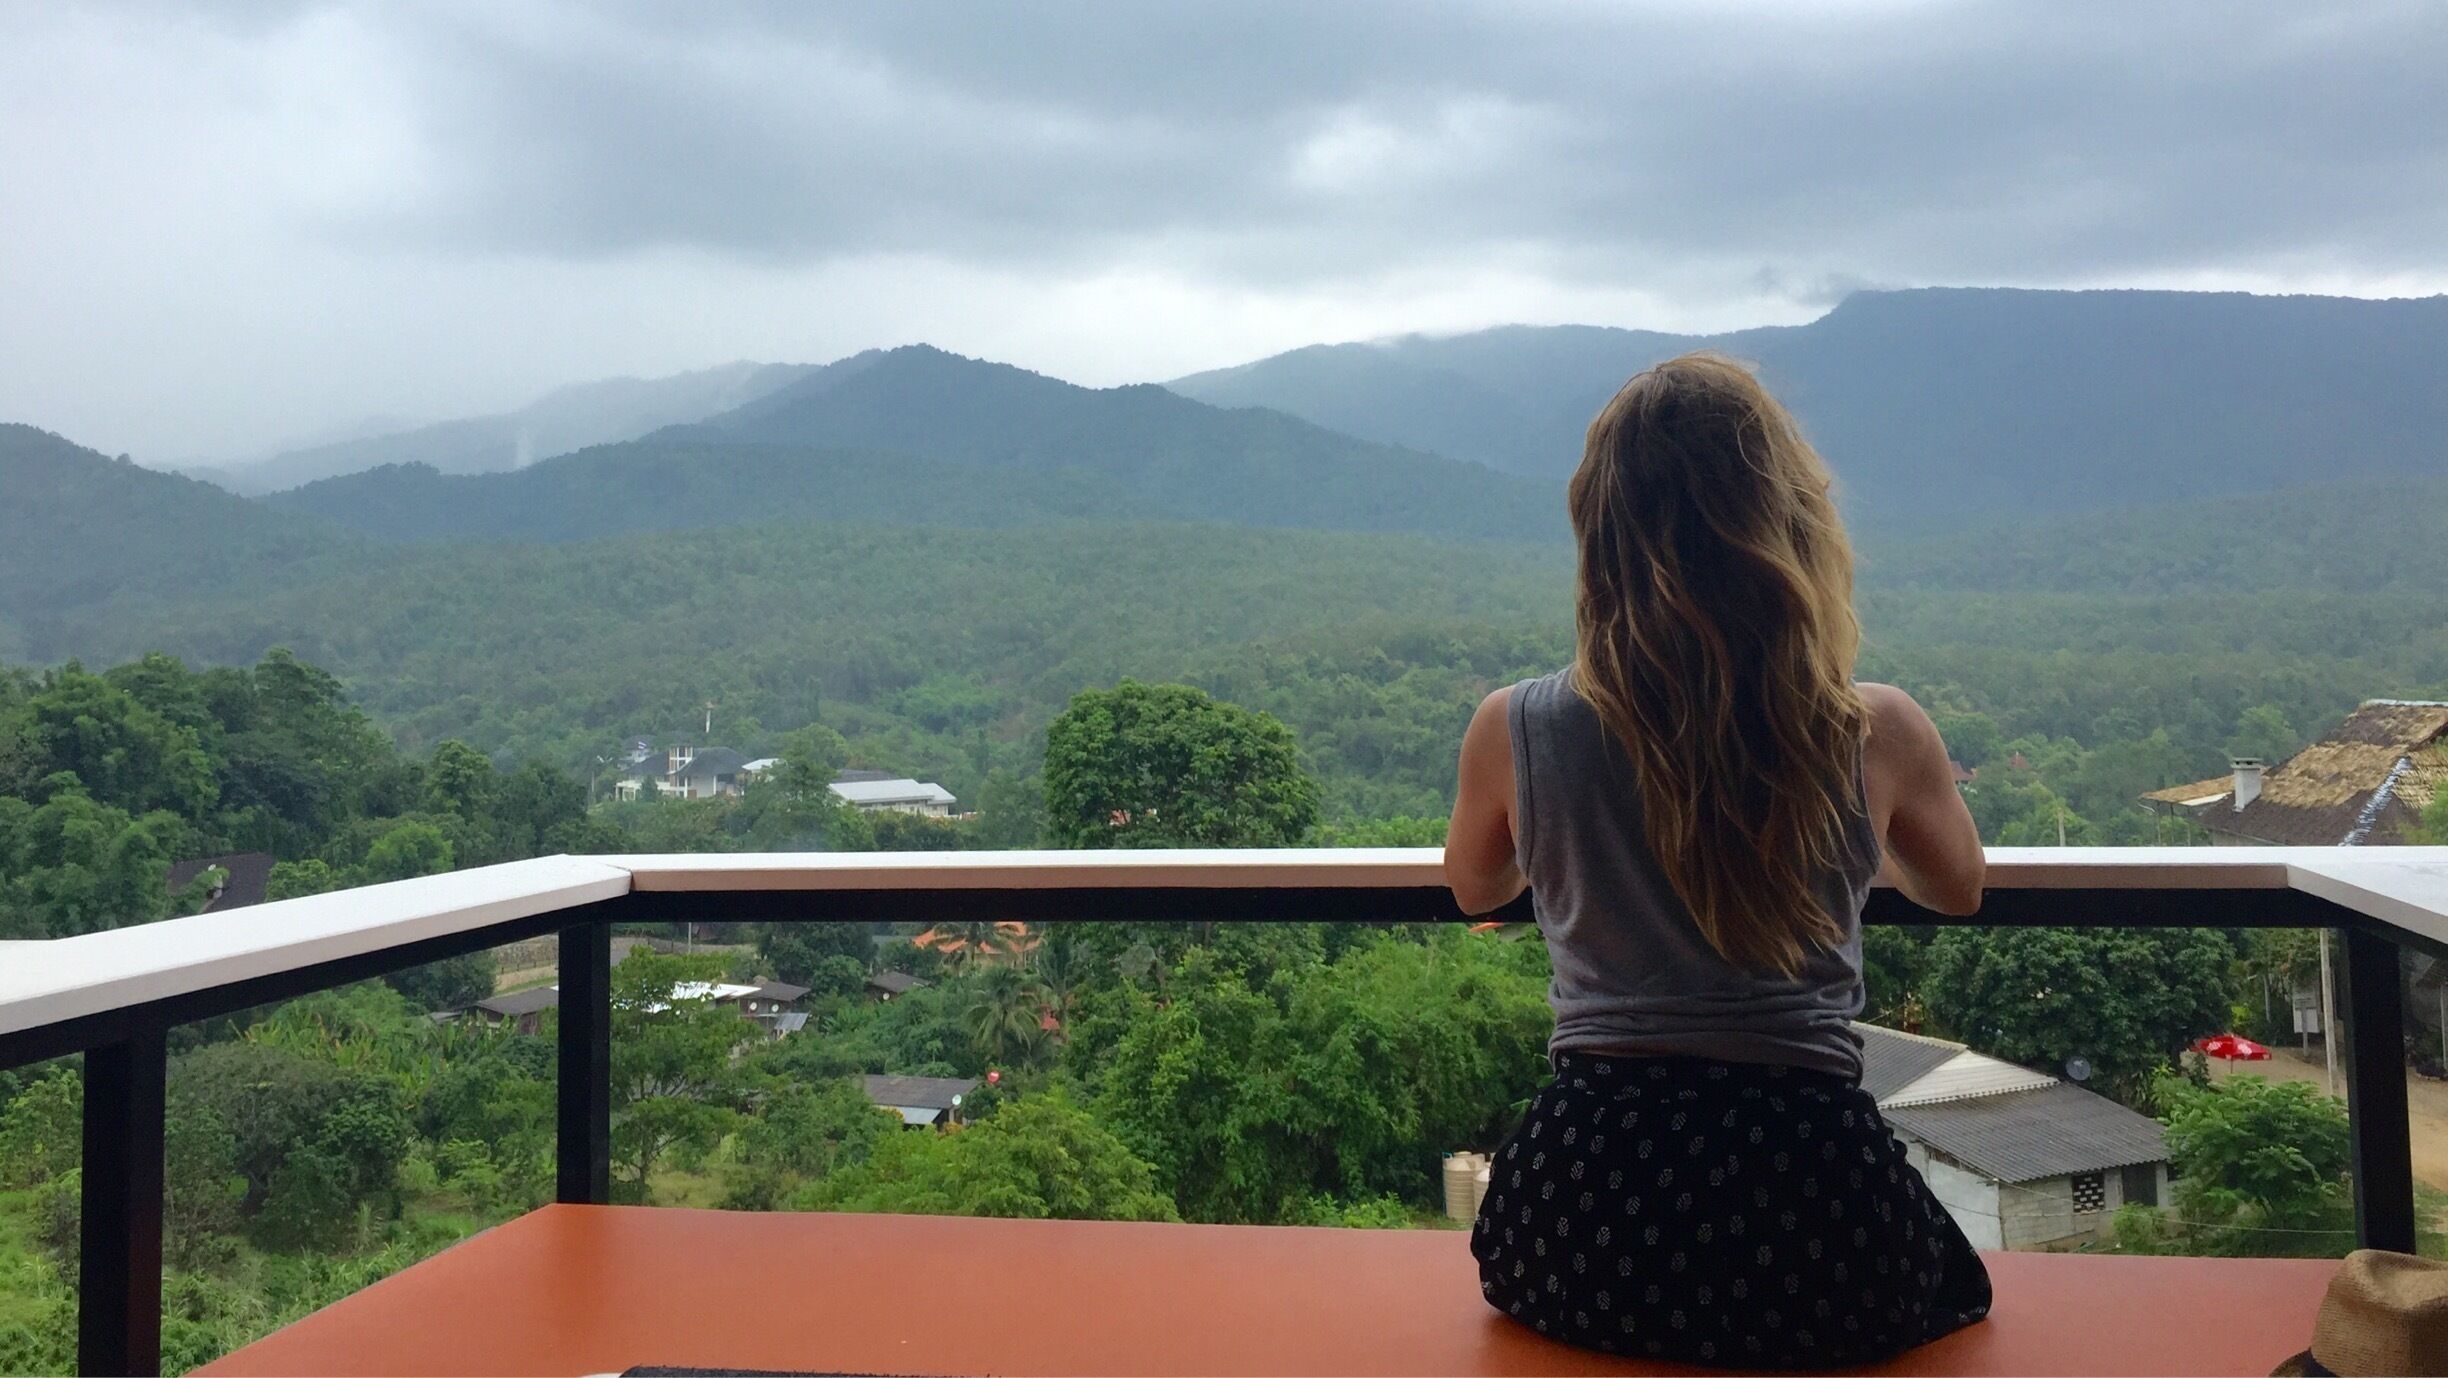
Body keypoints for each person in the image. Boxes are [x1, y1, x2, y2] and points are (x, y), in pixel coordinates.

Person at [1445, 352, 1992, 1368]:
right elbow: (1959, 887)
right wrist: (1843, 852)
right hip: (1813, 1208)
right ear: (1789, 524)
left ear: (1599, 534)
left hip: (1583, 1218)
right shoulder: (1875, 729)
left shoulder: (1516, 727)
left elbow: (1478, 883)